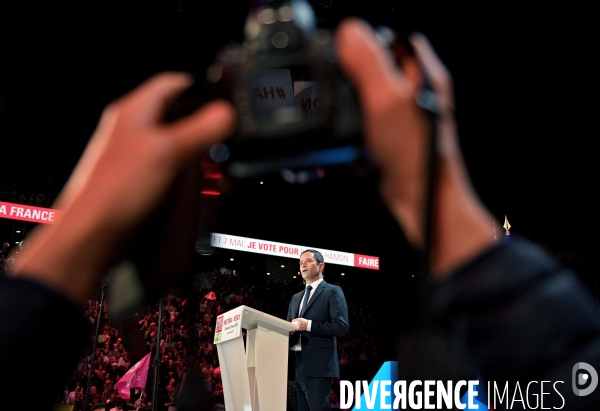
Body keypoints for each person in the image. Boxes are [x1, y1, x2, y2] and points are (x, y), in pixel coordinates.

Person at [0, 16, 598, 410]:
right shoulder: (290, 299)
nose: (307, 263)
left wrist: (68, 239)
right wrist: (439, 198)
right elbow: (580, 377)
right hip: (288, 377)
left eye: (310, 258)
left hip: (322, 373)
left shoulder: (331, 294)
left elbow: (566, 387)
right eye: (306, 259)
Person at [287, 249, 349, 411]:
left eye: (308, 261)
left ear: (321, 266)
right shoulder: (295, 298)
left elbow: (341, 326)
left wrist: (308, 325)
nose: (303, 265)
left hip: (318, 366)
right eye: (300, 263)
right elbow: (288, 325)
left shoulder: (333, 291)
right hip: (294, 366)